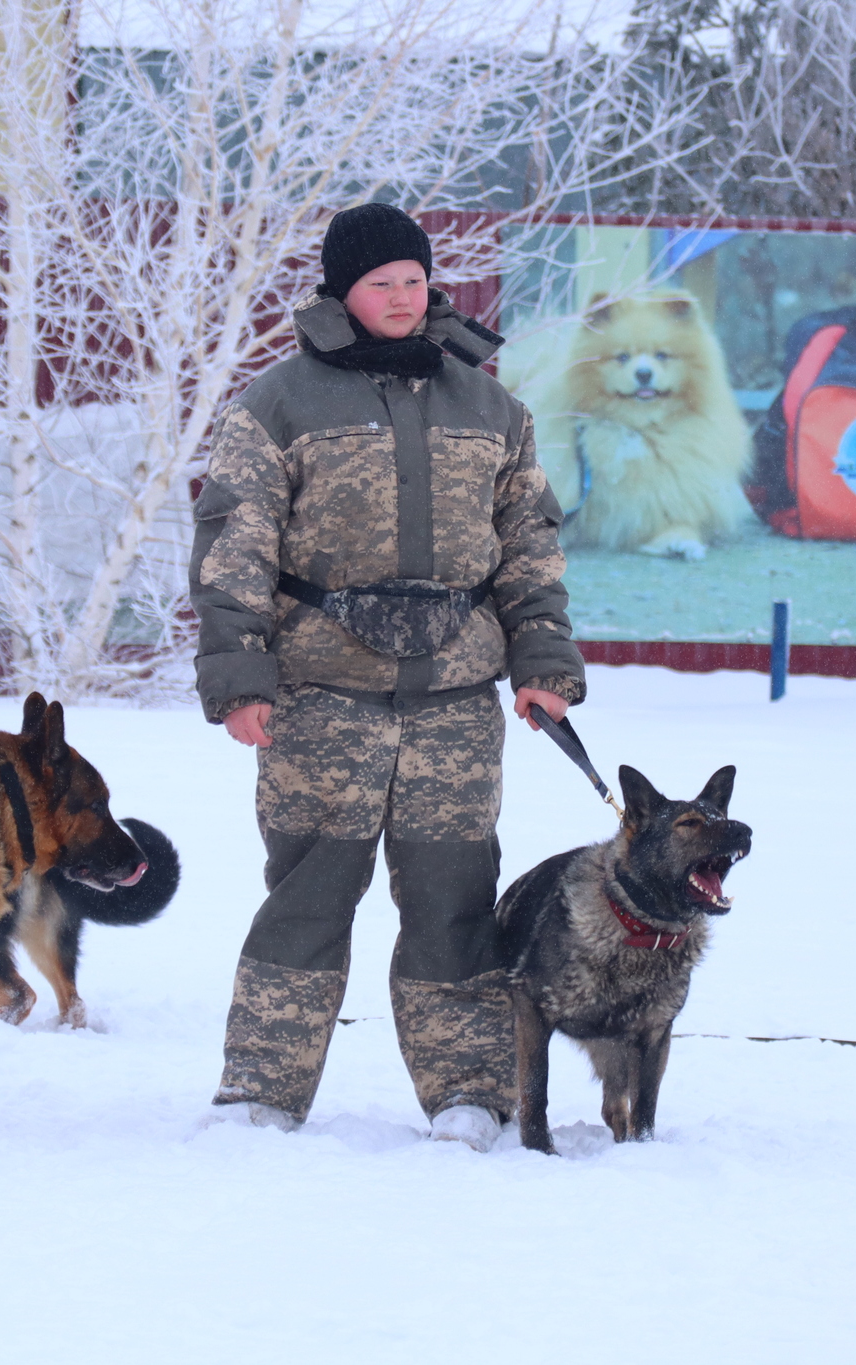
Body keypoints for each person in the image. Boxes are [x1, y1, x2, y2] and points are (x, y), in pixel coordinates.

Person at [190, 202, 586, 1149]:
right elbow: (233, 541)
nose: (404, 297)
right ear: (343, 291)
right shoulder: (278, 404)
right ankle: (261, 1092)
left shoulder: (490, 406)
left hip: (455, 700)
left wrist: (544, 662)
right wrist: (241, 678)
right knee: (308, 894)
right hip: (322, 696)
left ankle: (470, 1093)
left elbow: (529, 547)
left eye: (415, 279)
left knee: (454, 895)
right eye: (382, 283)